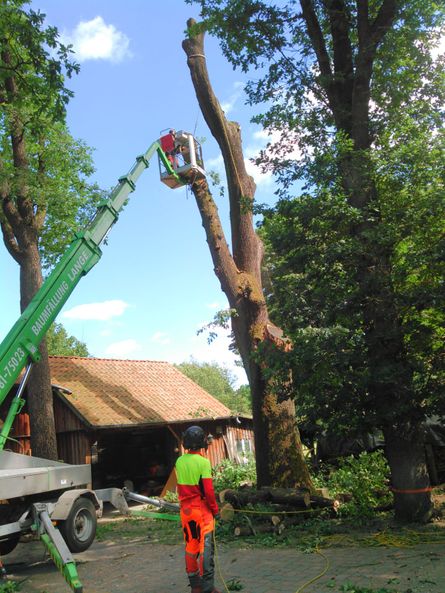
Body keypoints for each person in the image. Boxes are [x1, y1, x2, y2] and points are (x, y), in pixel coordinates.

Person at [175, 425, 221, 593]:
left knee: (191, 546)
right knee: (205, 549)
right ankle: (208, 588)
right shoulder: (203, 463)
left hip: (186, 511)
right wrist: (215, 510)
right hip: (201, 511)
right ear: (202, 443)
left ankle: (195, 586)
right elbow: (208, 491)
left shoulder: (179, 461)